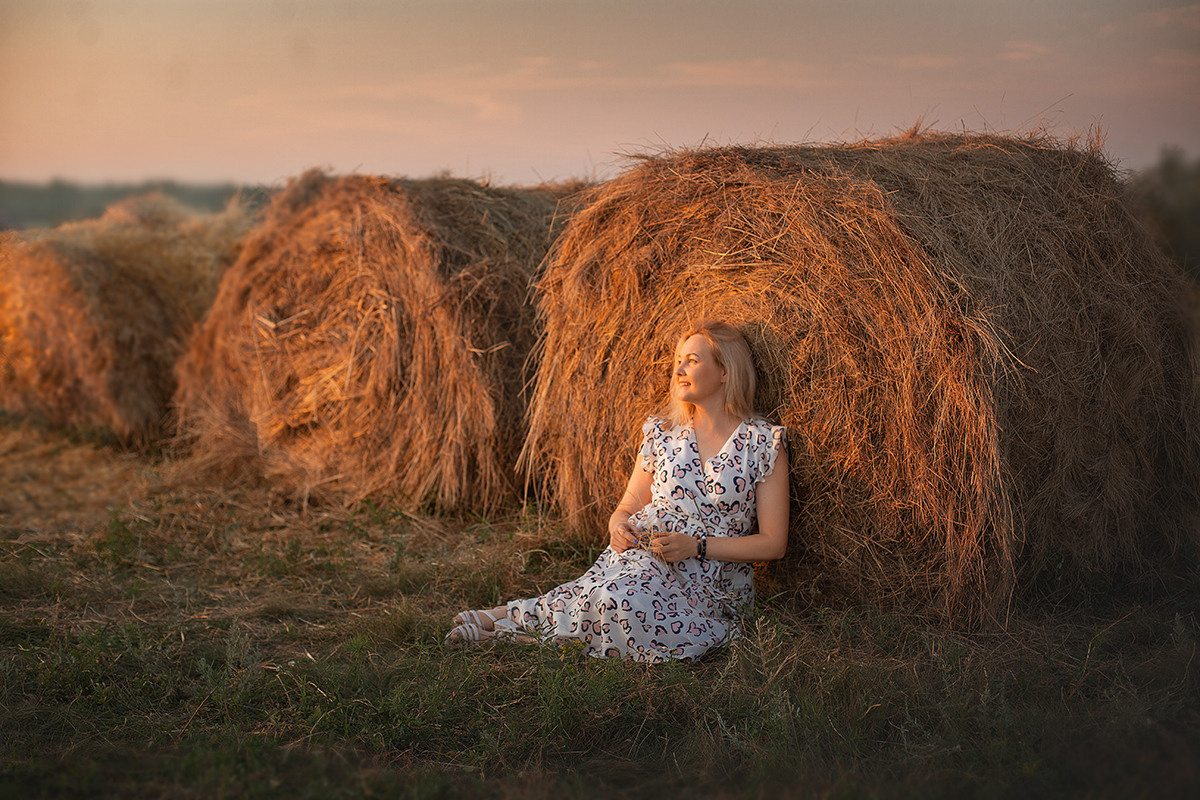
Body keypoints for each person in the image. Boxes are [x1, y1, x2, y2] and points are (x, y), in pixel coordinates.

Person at [446, 320, 789, 662]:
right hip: (648, 556)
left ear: (726, 371)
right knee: (609, 594)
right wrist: (617, 526)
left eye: (693, 361)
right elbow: (628, 504)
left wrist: (696, 547)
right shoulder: (663, 434)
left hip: (712, 582)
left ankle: (509, 633)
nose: (679, 370)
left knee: (618, 603)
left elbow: (773, 544)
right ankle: (512, 615)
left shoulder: (761, 443)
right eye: (678, 361)